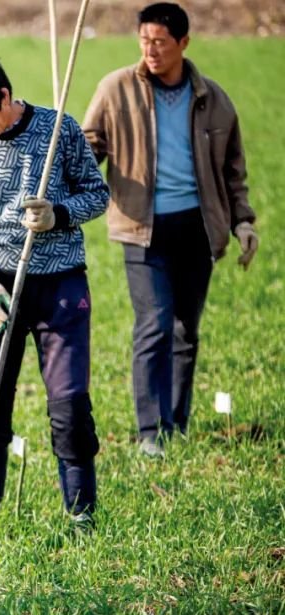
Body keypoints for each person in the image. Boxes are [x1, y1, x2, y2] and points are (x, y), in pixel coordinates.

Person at [0, 54, 109, 530]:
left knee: (70, 404)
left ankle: (82, 515)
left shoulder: (60, 131)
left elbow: (97, 193)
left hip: (60, 283)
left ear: (5, 98)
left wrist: (59, 212)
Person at [83, 3, 259, 458]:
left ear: (183, 43)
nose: (151, 50)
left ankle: (175, 423)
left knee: (185, 329)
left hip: (198, 227)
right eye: (144, 41)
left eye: (160, 42)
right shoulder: (116, 88)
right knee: (154, 324)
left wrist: (243, 220)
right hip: (141, 226)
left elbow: (233, 169)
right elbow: (88, 146)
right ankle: (149, 432)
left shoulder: (213, 98)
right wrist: (71, 169)